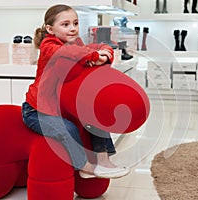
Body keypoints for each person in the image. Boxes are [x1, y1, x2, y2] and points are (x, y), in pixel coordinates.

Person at [21, 4, 130, 179]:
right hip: (36, 111)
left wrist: (106, 54)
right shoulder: (49, 45)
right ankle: (85, 166)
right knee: (68, 129)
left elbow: (101, 47)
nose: (73, 28)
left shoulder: (76, 43)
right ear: (50, 29)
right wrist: (96, 56)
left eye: (76, 23)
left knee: (96, 117)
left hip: (61, 107)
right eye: (65, 25)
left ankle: (103, 161)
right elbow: (73, 52)